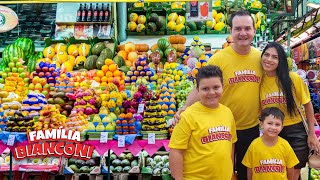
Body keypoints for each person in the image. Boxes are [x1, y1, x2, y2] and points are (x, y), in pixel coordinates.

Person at [174, 9, 262, 180]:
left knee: (246, 174)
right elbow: (200, 87)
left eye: (247, 28)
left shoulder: (260, 58)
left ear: (254, 30)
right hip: (220, 127)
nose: (242, 33)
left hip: (250, 128)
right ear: (231, 31)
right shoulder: (218, 59)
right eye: (238, 29)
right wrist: (185, 107)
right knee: (219, 169)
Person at [259, 41, 320, 180]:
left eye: (274, 57)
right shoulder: (259, 81)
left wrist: (312, 133)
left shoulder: (293, 78)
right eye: (266, 55)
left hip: (295, 132)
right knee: (276, 173)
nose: (269, 59)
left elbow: (308, 105)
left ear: (280, 61)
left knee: (293, 175)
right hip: (272, 133)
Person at [169, 65, 237, 180]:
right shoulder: (187, 116)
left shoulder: (227, 113)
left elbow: (231, 145)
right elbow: (176, 152)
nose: (211, 93)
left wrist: (230, 175)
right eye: (205, 89)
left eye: (216, 87)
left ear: (223, 87)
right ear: (197, 90)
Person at [242, 107, 299, 180]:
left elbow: (290, 168)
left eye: (277, 124)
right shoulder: (254, 145)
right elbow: (249, 168)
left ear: (282, 127)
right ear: (261, 124)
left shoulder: (285, 145)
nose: (273, 127)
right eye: (269, 123)